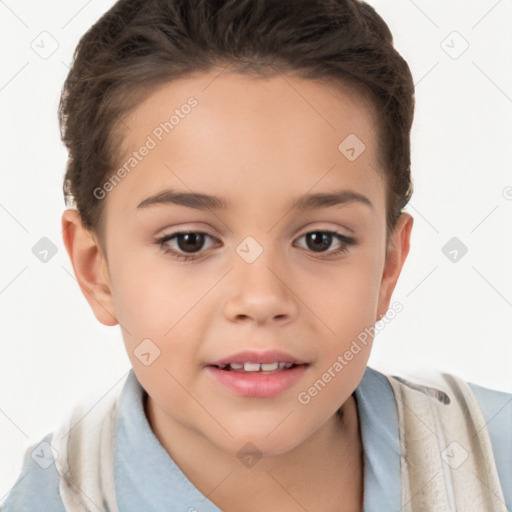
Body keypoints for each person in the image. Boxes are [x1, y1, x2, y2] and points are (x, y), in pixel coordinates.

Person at [2, 0, 511, 510]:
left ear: (388, 265)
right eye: (190, 241)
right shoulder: (50, 499)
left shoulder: (494, 458)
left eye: (320, 240)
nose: (262, 298)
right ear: (98, 271)